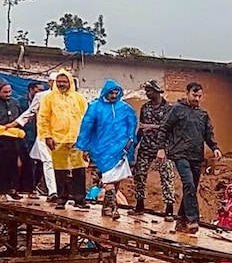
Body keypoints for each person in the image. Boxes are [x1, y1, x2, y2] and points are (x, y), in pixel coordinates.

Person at [157, 81, 222, 234]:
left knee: (191, 187)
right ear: (187, 93)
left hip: (196, 155)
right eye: (194, 95)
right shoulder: (176, 110)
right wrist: (161, 148)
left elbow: (208, 134)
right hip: (179, 153)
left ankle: (181, 219)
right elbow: (164, 129)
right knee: (189, 184)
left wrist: (215, 148)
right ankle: (193, 219)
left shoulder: (203, 114)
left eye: (199, 96)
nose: (197, 99)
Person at [75, 80, 138, 220]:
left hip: (120, 150)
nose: (114, 95)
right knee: (108, 178)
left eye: (116, 93)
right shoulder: (95, 107)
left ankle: (107, 207)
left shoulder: (125, 108)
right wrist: (85, 147)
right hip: (101, 149)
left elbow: (132, 125)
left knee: (116, 180)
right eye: (111, 93)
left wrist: (130, 141)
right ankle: (113, 208)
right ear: (105, 92)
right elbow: (87, 127)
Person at [38, 69, 89, 210]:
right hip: (57, 139)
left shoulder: (79, 98)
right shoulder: (48, 99)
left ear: (70, 82)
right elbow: (43, 118)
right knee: (60, 171)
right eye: (59, 81)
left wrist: (85, 138)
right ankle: (62, 199)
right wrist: (47, 136)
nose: (61, 84)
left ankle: (80, 200)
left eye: (64, 81)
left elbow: (87, 119)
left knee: (79, 169)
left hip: (76, 140)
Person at [130, 80, 176, 220]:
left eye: (149, 91)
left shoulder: (168, 108)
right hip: (146, 147)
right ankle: (139, 205)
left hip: (162, 148)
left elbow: (170, 128)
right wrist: (135, 143)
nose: (147, 93)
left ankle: (169, 209)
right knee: (139, 175)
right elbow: (142, 127)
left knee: (166, 177)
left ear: (156, 91)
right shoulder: (145, 107)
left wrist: (152, 127)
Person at [10, 74, 57, 201]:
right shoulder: (42, 97)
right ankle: (52, 192)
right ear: (50, 82)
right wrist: (14, 124)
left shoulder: (71, 98)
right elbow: (29, 113)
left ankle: (56, 192)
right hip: (41, 135)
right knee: (44, 162)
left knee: (56, 165)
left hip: (62, 136)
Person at [15, 81, 44, 198]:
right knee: (27, 163)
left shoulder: (45, 102)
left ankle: (33, 186)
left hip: (40, 136)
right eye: (38, 91)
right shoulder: (20, 103)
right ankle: (25, 187)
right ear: (31, 90)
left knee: (41, 164)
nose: (41, 93)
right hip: (25, 136)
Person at [0, 79, 22, 200]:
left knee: (14, 165)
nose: (8, 94)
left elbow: (19, 119)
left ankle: (13, 189)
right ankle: (2, 191)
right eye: (5, 92)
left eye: (9, 91)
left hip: (13, 138)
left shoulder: (15, 103)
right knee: (2, 165)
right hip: (1, 139)